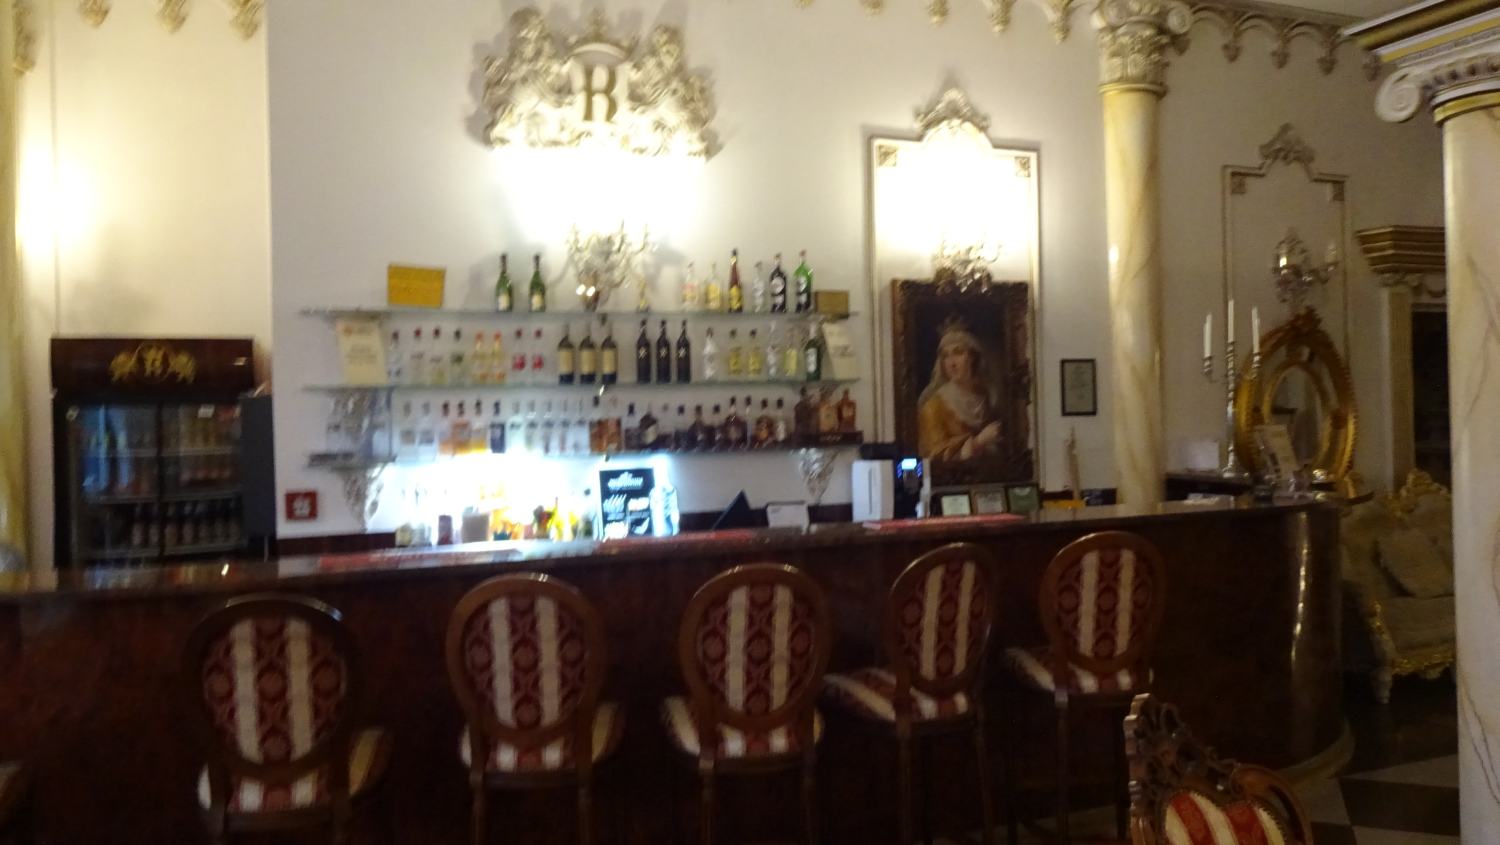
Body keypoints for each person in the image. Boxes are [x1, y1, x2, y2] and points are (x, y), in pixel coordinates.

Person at [917, 319, 1003, 461]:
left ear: (972, 357)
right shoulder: (933, 407)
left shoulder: (986, 397)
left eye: (958, 353)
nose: (952, 363)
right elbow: (934, 459)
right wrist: (978, 442)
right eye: (946, 356)